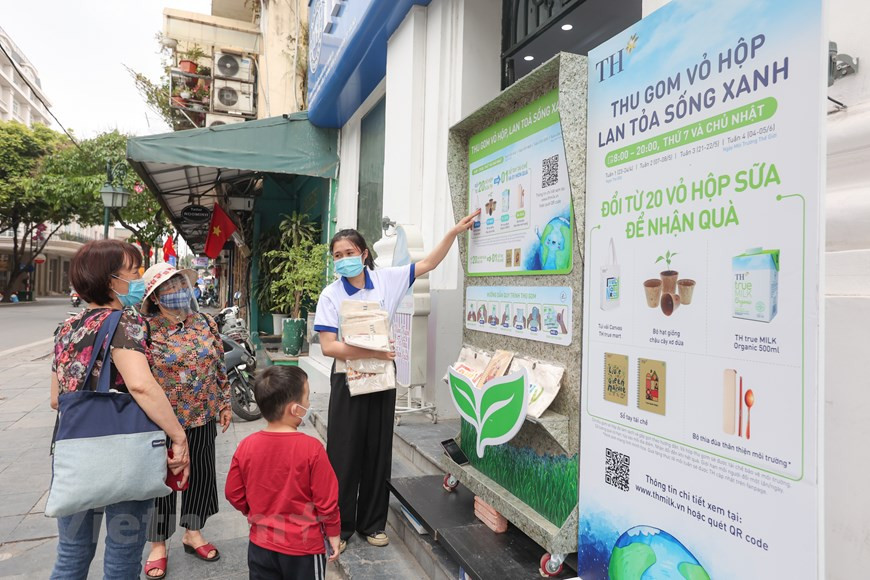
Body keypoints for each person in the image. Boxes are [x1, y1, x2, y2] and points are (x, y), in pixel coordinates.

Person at [313, 210, 479, 552]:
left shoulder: (387, 279)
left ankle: (372, 523)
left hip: (382, 380)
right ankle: (339, 528)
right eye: (337, 256)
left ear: (363, 253)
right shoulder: (331, 294)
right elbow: (329, 346)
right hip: (348, 379)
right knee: (343, 454)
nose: (344, 260)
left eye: (349, 253)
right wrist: (370, 349)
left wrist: (453, 233)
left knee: (377, 451)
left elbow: (429, 263)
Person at [49, 240, 190, 580]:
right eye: (134, 272)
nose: (139, 279)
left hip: (74, 452)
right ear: (112, 281)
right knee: (123, 556)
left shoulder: (67, 327)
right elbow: (141, 385)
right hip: (125, 451)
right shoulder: (125, 322)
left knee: (71, 554)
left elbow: (56, 398)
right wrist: (178, 435)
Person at [139, 263, 233, 579]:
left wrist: (224, 402)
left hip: (203, 413)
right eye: (169, 287)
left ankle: (193, 532)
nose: (178, 291)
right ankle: (158, 544)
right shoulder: (146, 329)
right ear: (154, 297)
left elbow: (219, 364)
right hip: (162, 420)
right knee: (162, 481)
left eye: (181, 284)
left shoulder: (205, 322)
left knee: (201, 476)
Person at [225, 366, 340, 579]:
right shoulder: (312, 449)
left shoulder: (246, 446)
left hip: (261, 545)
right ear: (295, 409)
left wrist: (255, 511)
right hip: (304, 548)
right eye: (306, 398)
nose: (308, 404)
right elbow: (327, 502)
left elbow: (234, 493)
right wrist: (333, 532)